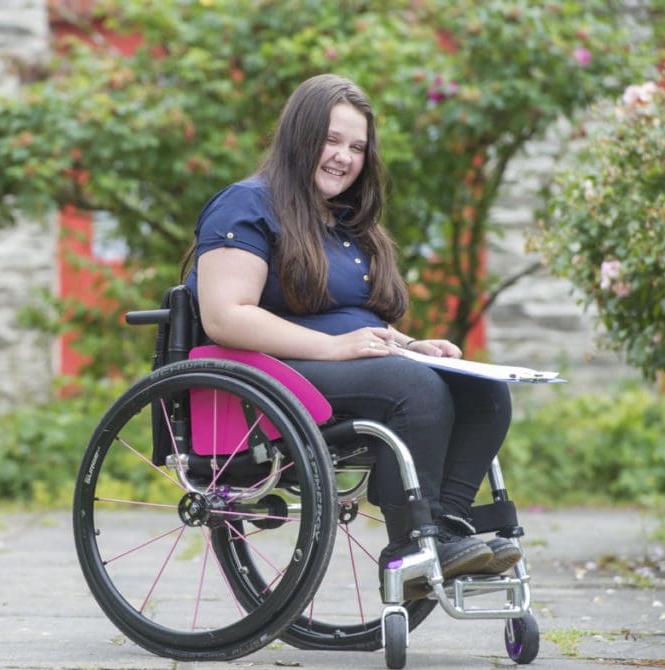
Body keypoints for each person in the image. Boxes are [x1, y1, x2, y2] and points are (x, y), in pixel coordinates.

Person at [183, 73, 520, 597]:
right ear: (300, 136)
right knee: (414, 388)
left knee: (483, 390)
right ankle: (411, 540)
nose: (344, 157)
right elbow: (225, 316)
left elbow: (348, 314)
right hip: (265, 372)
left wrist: (410, 345)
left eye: (357, 147)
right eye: (332, 140)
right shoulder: (247, 205)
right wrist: (336, 349)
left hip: (330, 365)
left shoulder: (340, 223)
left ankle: (447, 531)